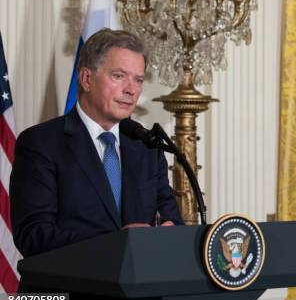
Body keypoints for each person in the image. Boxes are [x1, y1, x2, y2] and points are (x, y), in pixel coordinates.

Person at [10, 28, 183, 259]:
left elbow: (173, 222)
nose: (131, 90)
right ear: (86, 79)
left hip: (138, 291)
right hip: (71, 291)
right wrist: (114, 243)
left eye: (138, 79)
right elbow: (33, 235)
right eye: (119, 76)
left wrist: (170, 231)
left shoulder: (146, 147)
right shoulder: (41, 144)